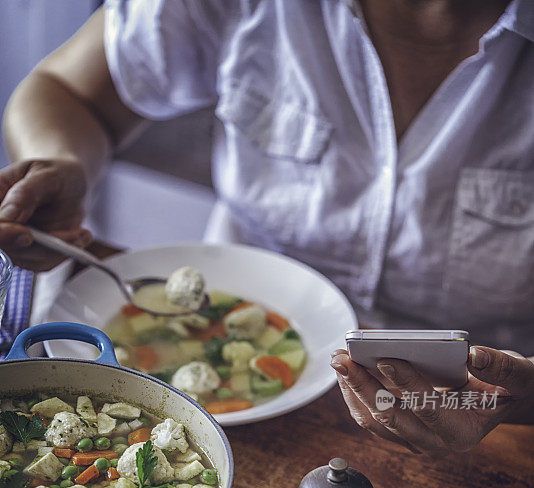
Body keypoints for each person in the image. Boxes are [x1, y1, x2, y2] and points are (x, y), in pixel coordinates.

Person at [0, 0, 532, 453]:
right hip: (216, 427)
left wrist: (522, 395)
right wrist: (58, 164)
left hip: (494, 436)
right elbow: (65, 89)